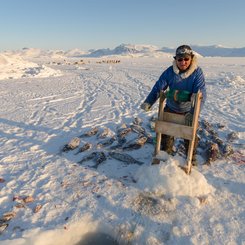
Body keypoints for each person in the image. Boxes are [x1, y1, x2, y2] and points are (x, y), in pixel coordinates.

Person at [141, 45, 206, 165]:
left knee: (189, 135)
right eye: (180, 59)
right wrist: (148, 101)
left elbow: (201, 95)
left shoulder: (197, 73)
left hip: (188, 111)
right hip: (171, 108)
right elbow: (158, 87)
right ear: (175, 59)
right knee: (166, 133)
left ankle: (191, 159)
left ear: (191, 58)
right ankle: (165, 155)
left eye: (186, 59)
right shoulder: (170, 72)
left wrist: (193, 113)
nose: (183, 62)